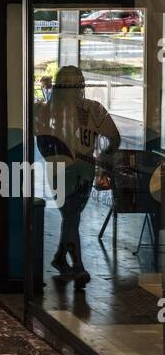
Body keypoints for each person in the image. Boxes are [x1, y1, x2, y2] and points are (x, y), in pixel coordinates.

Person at [34, 65, 120, 286]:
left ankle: (61, 259)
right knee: (71, 216)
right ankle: (78, 266)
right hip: (81, 169)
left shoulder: (44, 110)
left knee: (71, 216)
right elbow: (114, 138)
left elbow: (39, 140)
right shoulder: (94, 109)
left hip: (62, 170)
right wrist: (103, 156)